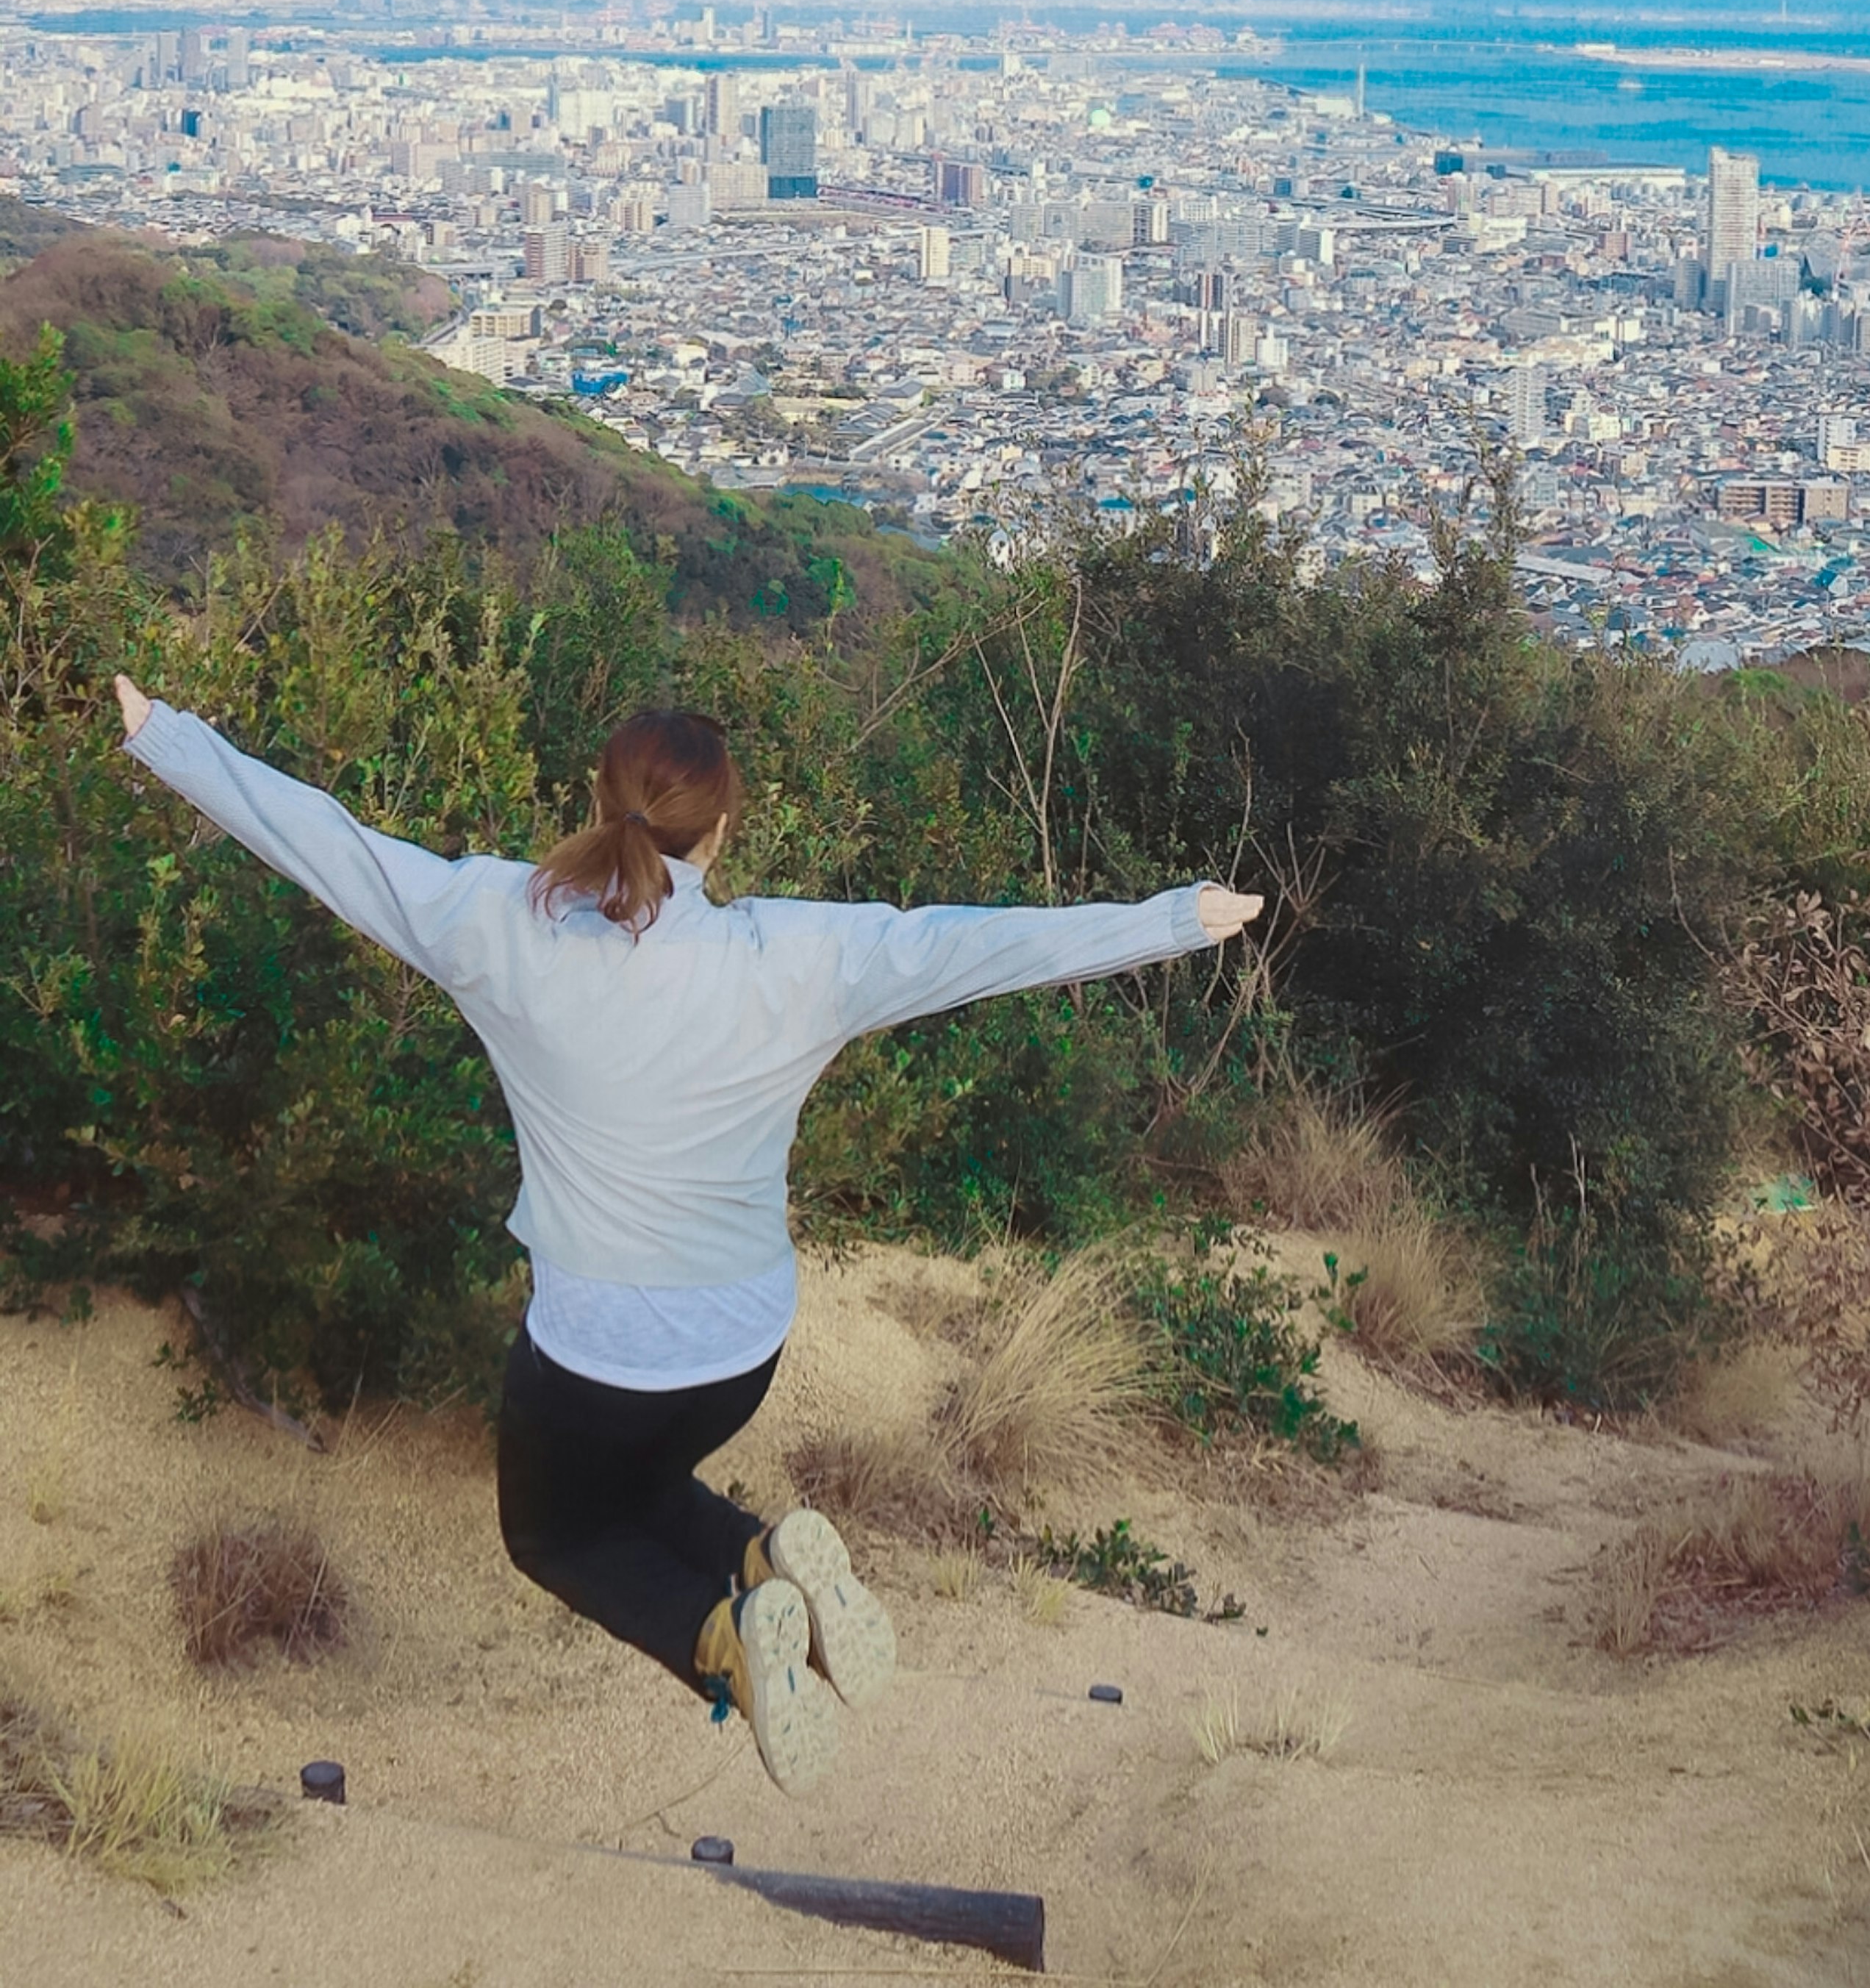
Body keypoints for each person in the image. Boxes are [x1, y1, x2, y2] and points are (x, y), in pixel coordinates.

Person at [113, 676, 1259, 1795]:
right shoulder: (799, 959)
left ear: (595, 797)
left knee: (556, 1533)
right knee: (644, 1472)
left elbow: (334, 847)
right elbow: (975, 946)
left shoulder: (500, 925)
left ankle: (724, 1637)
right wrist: (1173, 922)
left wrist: (172, 740)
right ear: (722, 831)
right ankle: (769, 1559)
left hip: (593, 1349)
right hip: (742, 1348)